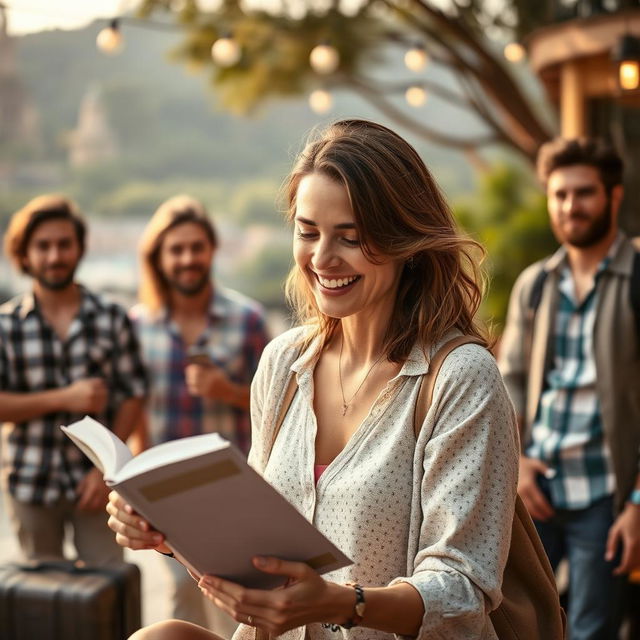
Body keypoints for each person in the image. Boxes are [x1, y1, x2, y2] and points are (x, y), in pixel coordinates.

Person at [106, 119, 520, 640]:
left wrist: (341, 603)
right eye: (308, 232)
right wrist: (167, 530)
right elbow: (256, 551)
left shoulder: (459, 377)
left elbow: (462, 590)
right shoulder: (283, 363)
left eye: (350, 237)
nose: (322, 259)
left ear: (404, 241)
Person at [499, 138, 640, 640]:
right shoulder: (535, 284)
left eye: (583, 193)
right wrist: (517, 461)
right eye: (559, 195)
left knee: (592, 629)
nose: (570, 206)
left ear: (614, 197)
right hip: (536, 485)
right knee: (514, 622)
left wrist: (637, 504)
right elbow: (509, 377)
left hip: (607, 495)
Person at [129, 195, 269, 633]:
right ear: (159, 257)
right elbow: (135, 411)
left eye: (196, 247)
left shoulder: (246, 319)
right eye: (176, 249)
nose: (187, 258)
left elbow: (283, 408)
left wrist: (224, 390)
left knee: (235, 606)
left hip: (232, 490)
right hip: (166, 493)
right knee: (180, 599)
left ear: (211, 249)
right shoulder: (136, 324)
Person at [0, 194, 147, 564]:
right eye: (43, 246)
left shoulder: (111, 318)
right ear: (24, 253)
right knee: (40, 603)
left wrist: (105, 473)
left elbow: (133, 395)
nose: (54, 256)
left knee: (108, 596)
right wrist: (65, 397)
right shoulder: (5, 326)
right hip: (30, 482)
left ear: (79, 248)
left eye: (64, 244)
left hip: (97, 487)